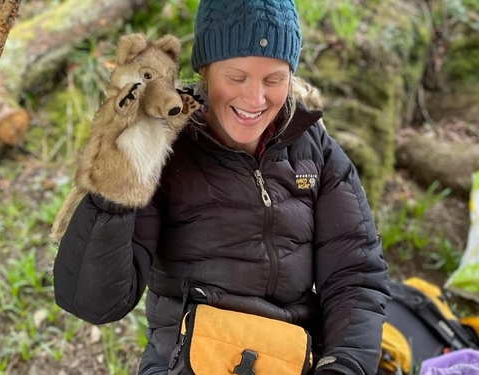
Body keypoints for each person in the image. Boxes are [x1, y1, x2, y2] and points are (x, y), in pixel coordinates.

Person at [52, 0, 390, 374]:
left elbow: (355, 273)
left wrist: (342, 366)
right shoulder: (163, 146)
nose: (255, 99)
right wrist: (116, 184)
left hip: (290, 359)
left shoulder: (314, 148)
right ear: (205, 71)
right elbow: (95, 302)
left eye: (273, 80)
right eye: (237, 77)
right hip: (182, 361)